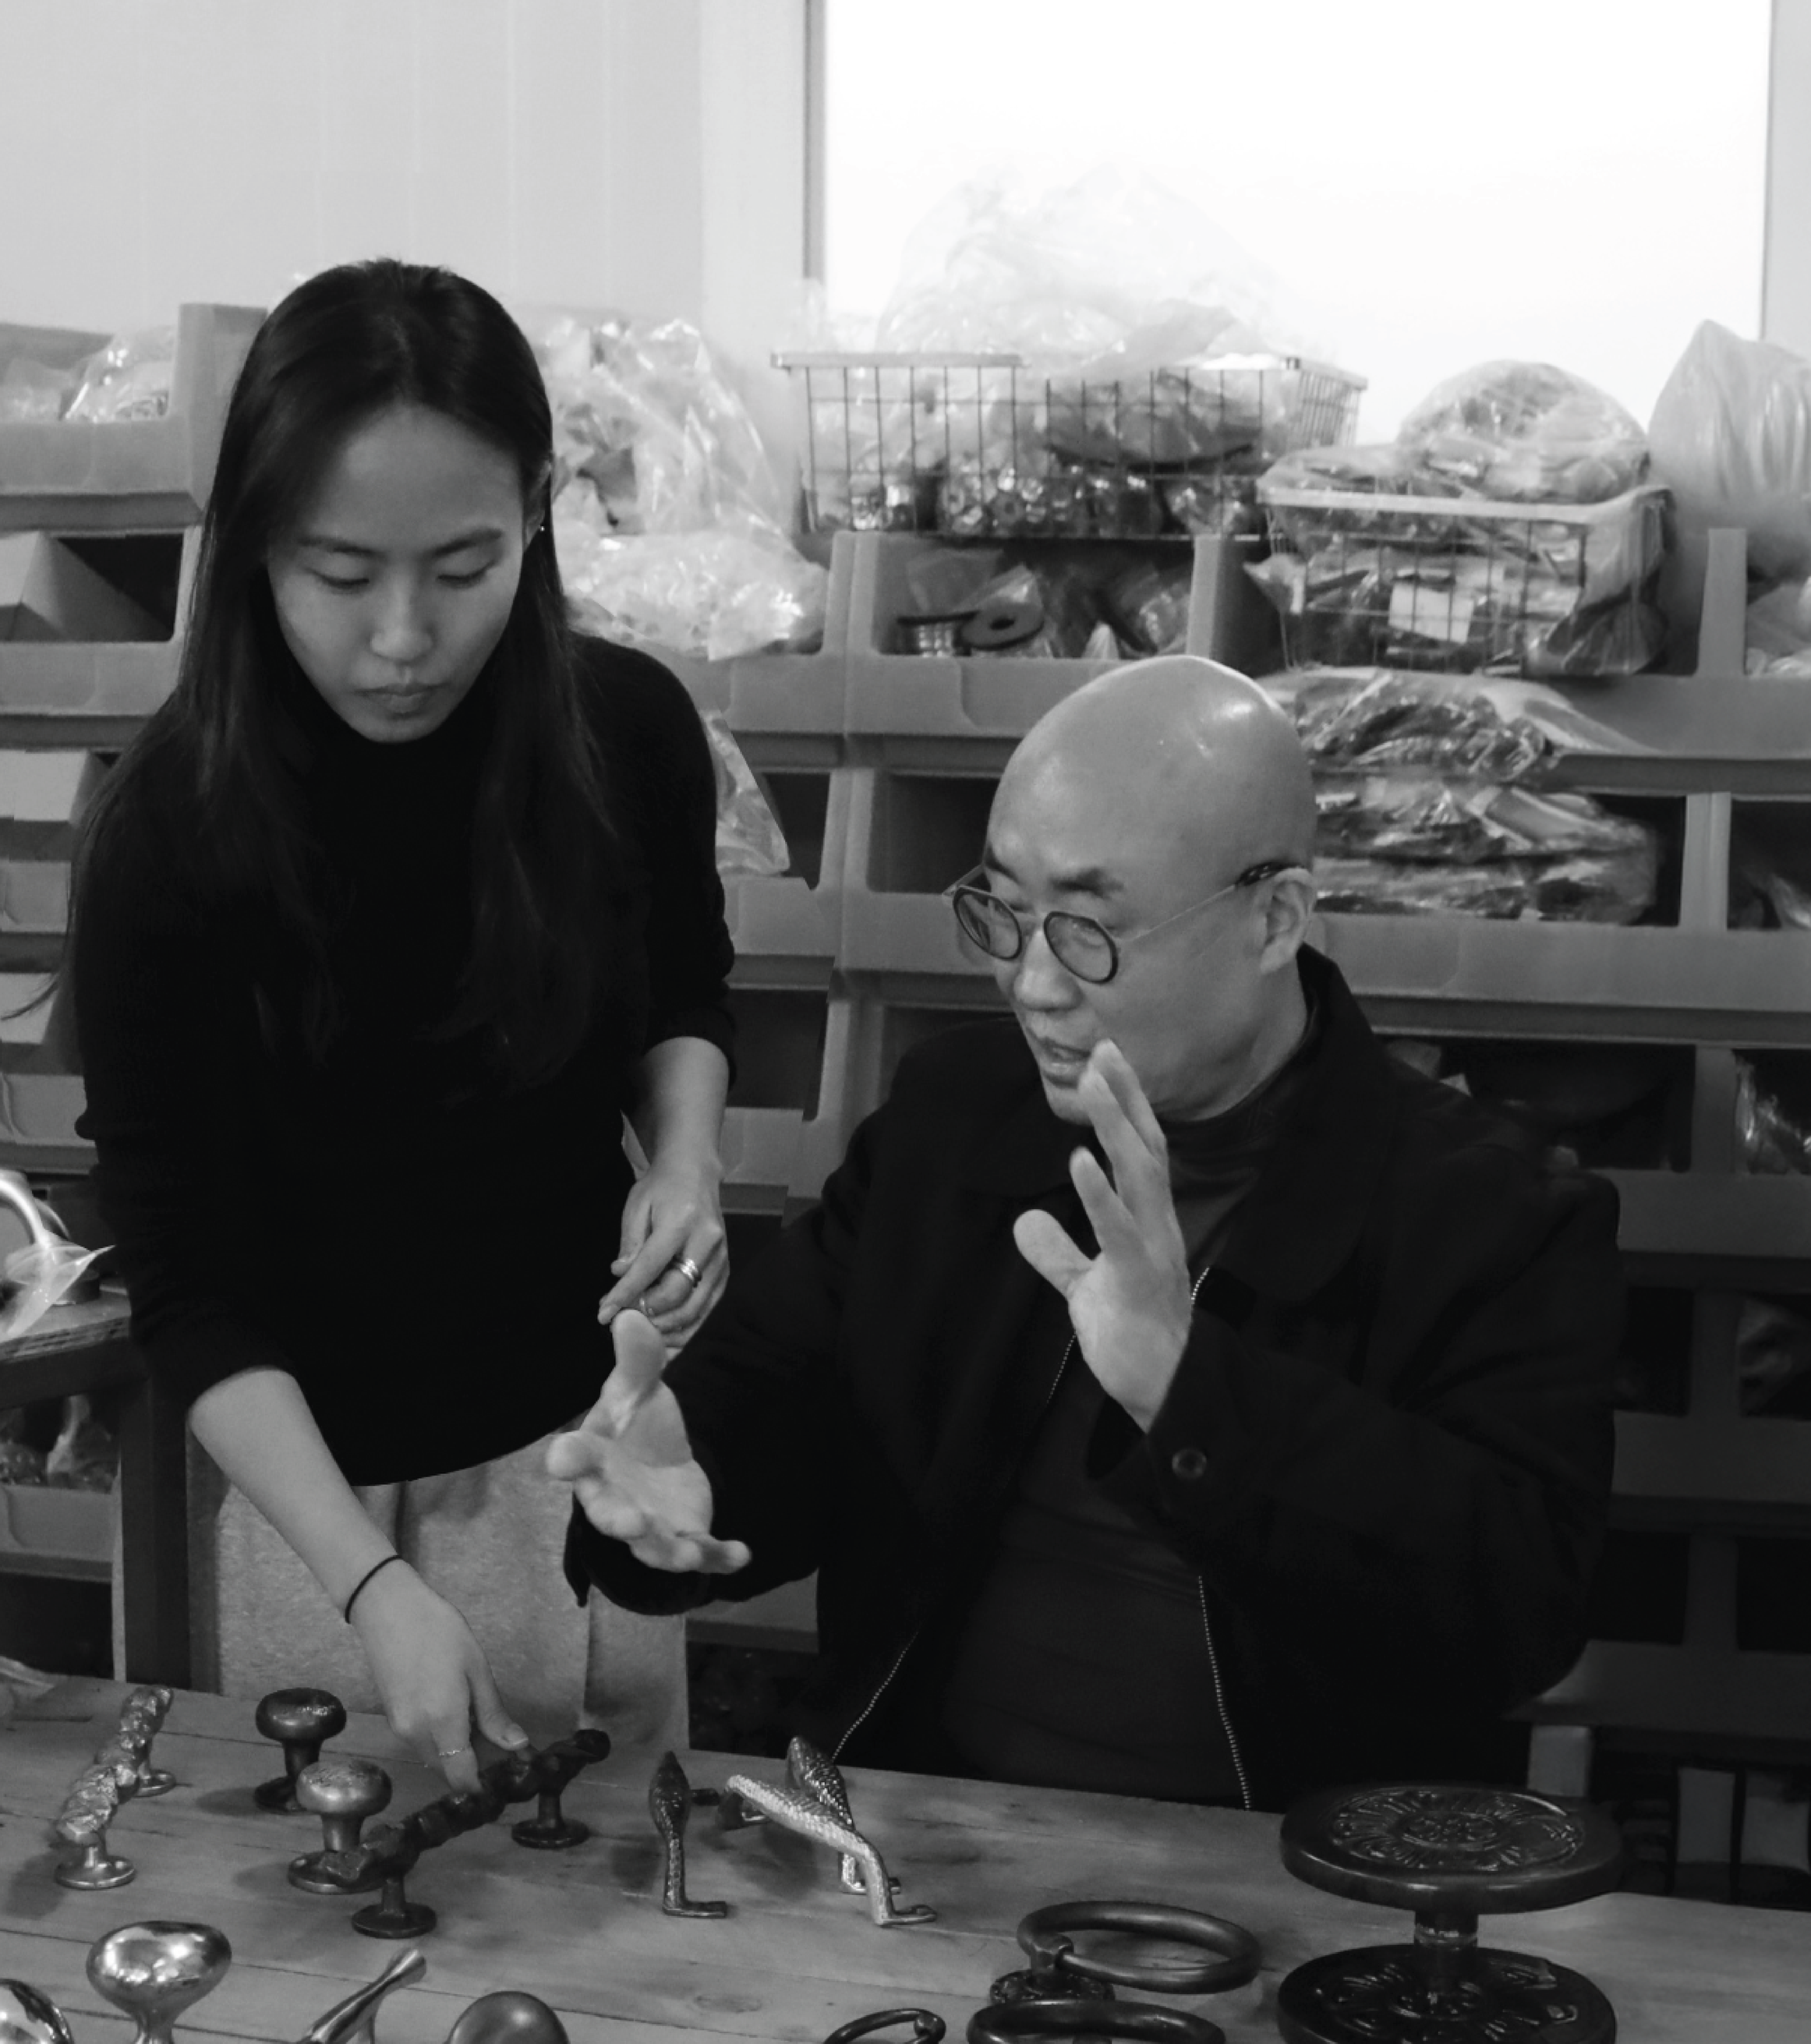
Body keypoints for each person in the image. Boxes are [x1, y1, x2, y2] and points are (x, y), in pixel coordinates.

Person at [550, 656, 1625, 1809]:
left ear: (1275, 919)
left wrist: (1188, 1388)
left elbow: (1513, 1616)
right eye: (1005, 912)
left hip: (1299, 1877)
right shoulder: (955, 1123)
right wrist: (691, 1470)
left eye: (1090, 931)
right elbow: (788, 1394)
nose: (1030, 982)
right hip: (930, 1839)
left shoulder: (1491, 1213)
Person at [69, 260, 735, 1794]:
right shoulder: (170, 828)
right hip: (320, 1489)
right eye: (339, 571)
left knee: (639, 1924)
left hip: (595, 1441)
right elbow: (183, 1283)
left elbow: (685, 993)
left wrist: (684, 1161)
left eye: (462, 563)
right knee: (353, 1905)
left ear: (541, 508)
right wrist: (369, 1584)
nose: (401, 635)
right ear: (252, 545)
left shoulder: (623, 735)